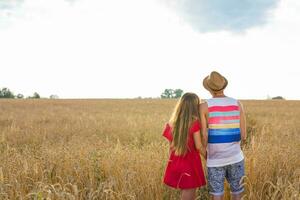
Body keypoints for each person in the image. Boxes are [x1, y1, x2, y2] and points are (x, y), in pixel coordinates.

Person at [200, 71, 247, 200]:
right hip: (236, 157)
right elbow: (243, 135)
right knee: (237, 193)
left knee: (216, 195)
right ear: (224, 86)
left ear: (209, 89)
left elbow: (204, 136)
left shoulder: (204, 106)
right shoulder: (237, 104)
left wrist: (207, 154)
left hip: (214, 159)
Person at [162, 93, 206, 200]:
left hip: (175, 162)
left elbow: (170, 148)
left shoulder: (172, 124)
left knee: (184, 192)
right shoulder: (194, 123)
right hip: (190, 165)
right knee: (189, 194)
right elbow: (199, 146)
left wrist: (172, 164)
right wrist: (208, 157)